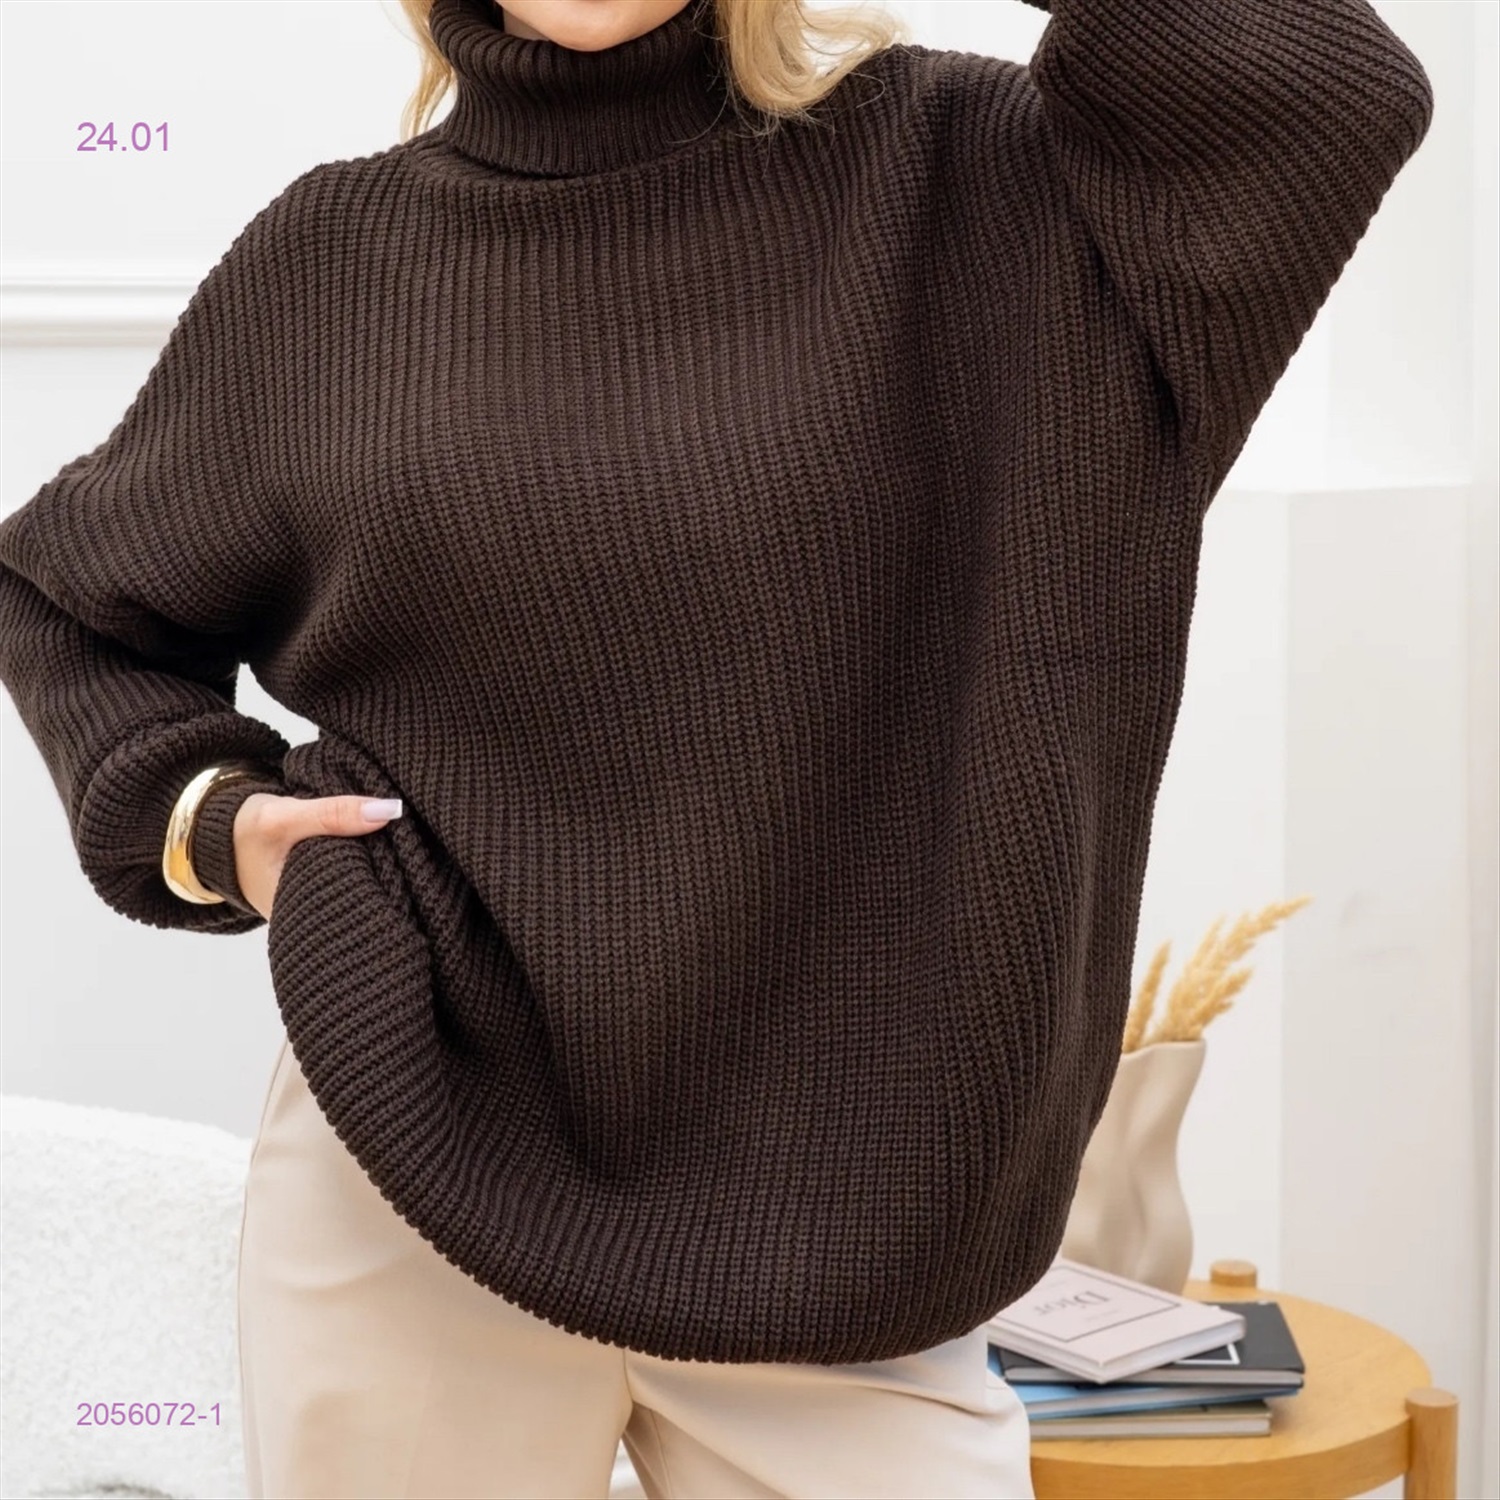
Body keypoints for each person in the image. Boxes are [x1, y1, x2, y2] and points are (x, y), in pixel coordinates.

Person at [0, 0, 1434, 1495]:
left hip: (864, 1237)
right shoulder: (331, 265)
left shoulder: (992, 181)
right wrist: (212, 825)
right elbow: (65, 596)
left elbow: (1325, 88)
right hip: (409, 1168)